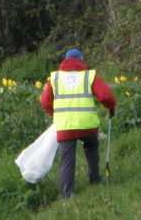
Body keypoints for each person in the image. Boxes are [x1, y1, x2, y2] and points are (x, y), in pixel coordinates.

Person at [39, 48, 117, 198]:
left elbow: (45, 102)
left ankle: (67, 194)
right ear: (81, 60)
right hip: (87, 125)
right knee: (91, 147)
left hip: (65, 126)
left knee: (67, 159)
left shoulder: (55, 78)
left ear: (66, 61)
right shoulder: (89, 76)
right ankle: (94, 178)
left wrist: (55, 115)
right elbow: (106, 95)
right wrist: (111, 107)